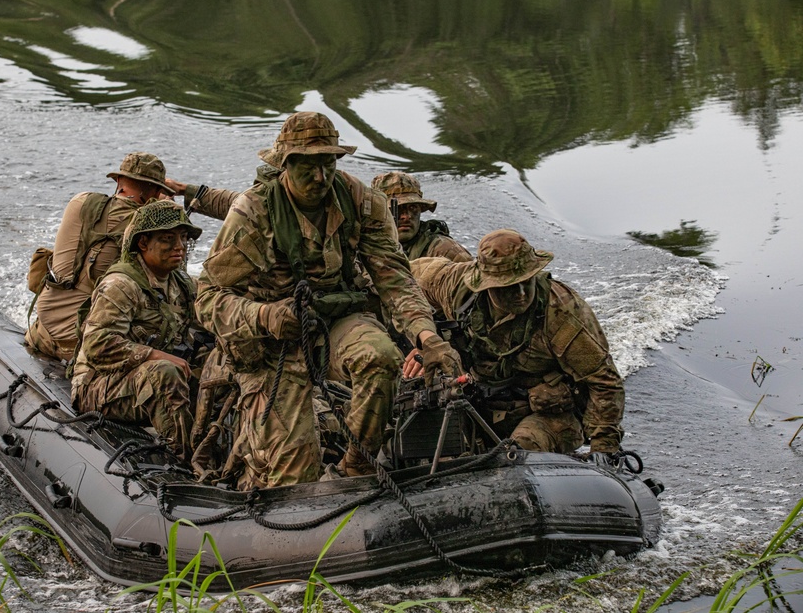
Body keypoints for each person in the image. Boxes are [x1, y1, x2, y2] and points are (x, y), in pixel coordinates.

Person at [195, 111, 463, 489]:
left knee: (380, 356)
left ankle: (356, 468)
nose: (320, 178)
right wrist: (265, 316)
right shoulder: (254, 212)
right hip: (273, 344)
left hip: (335, 319)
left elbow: (395, 278)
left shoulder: (361, 201)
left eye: (328, 164)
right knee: (293, 479)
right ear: (285, 164)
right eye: (308, 167)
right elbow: (208, 299)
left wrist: (426, 336)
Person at [410, 229, 625, 462]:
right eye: (509, 287)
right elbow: (399, 279)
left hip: (547, 414)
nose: (521, 293)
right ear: (486, 285)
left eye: (526, 281)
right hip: (478, 399)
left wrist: (603, 448)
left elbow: (604, 380)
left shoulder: (560, 314)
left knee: (515, 458)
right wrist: (426, 339)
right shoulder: (456, 287)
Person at [70, 200, 202, 461]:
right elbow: (97, 344)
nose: (179, 246)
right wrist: (155, 355)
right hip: (97, 385)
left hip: (139, 380)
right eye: (167, 239)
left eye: (183, 238)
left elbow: (210, 314)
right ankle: (181, 462)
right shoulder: (121, 285)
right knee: (166, 373)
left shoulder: (181, 284)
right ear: (143, 244)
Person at [25, 152, 174, 361]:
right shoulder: (146, 229)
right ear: (156, 191)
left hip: (41, 332)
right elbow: (170, 287)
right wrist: (166, 214)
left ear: (119, 180)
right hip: (82, 346)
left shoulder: (80, 202)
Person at [370, 172, 473, 262]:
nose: (406, 216)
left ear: (420, 209)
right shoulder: (364, 247)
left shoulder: (445, 251)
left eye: (413, 207)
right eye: (397, 208)